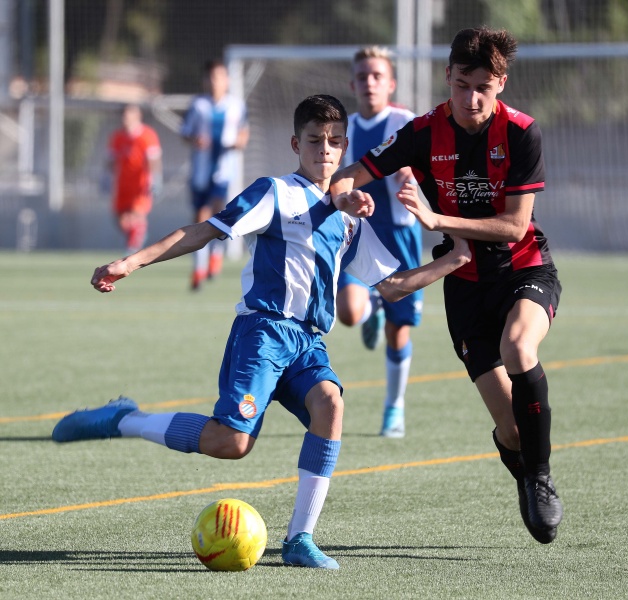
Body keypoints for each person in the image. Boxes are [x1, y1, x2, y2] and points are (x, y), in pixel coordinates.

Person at [52, 95, 471, 570]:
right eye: (314, 140)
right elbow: (203, 231)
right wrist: (130, 262)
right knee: (232, 444)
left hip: (308, 342)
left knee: (331, 404)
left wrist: (454, 259)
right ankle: (125, 419)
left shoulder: (351, 218)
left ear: (345, 147)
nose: (324, 150)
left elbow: (392, 287)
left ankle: (300, 539)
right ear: (296, 144)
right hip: (264, 333)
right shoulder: (275, 193)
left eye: (334, 142)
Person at [330, 27, 564, 545]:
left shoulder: (522, 132)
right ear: (447, 77)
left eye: (483, 87)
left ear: (501, 84)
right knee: (511, 431)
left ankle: (541, 478)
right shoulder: (420, 132)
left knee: (518, 347)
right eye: (462, 85)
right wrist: (347, 199)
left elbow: (514, 227)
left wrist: (436, 220)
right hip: (464, 285)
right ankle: (526, 466)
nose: (471, 98)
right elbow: (347, 175)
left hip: (524, 269)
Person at [336, 46, 422, 438]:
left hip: (401, 238)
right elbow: (337, 179)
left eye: (377, 76)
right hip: (358, 234)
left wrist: (410, 176)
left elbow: (424, 168)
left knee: (398, 332)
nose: (369, 83)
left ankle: (394, 407)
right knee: (348, 312)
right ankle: (371, 306)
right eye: (362, 77)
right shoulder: (344, 129)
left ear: (391, 84)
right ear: (353, 84)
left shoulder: (407, 123)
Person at [180, 58, 250, 290]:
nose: (215, 82)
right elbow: (185, 132)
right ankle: (199, 266)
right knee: (200, 216)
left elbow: (244, 133)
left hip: (224, 171)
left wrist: (238, 142)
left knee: (219, 214)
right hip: (200, 171)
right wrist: (195, 139)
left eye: (219, 77)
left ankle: (215, 254)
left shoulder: (236, 105)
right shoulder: (198, 105)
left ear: (226, 80)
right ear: (205, 80)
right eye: (211, 77)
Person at [106, 103, 162, 254]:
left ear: (138, 116)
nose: (125, 118)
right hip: (123, 185)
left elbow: (154, 160)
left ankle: (132, 249)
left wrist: (155, 179)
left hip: (141, 184)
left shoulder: (147, 135)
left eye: (129, 114)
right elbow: (111, 160)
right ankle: (137, 235)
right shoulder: (118, 137)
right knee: (121, 220)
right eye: (124, 115)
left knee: (137, 215)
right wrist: (106, 177)